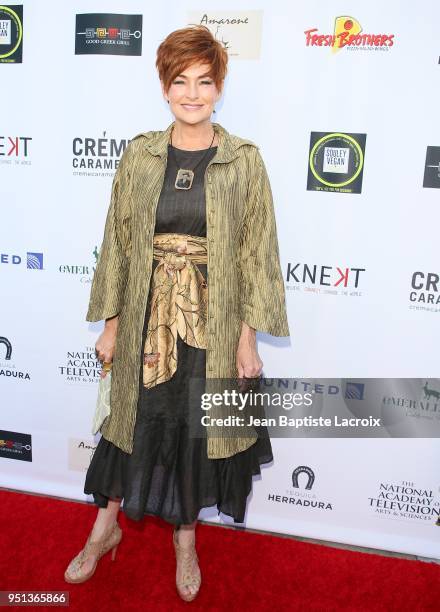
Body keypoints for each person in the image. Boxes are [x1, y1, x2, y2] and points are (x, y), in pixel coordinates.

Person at [64, 24, 290, 602]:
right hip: (144, 315)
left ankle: (186, 541)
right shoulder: (140, 155)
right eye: (180, 81)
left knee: (195, 428)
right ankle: (105, 528)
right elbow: (117, 241)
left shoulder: (244, 162)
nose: (192, 93)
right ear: (164, 87)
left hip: (211, 324)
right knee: (130, 424)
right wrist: (113, 324)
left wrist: (247, 340)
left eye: (205, 81)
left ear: (220, 86)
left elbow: (256, 253)